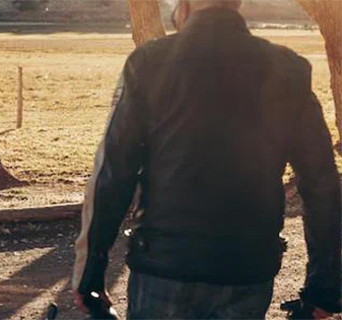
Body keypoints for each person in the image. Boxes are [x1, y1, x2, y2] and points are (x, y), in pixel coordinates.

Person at [72, 0, 341, 319]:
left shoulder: (149, 63)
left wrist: (90, 274)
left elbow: (113, 172)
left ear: (183, 6)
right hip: (247, 269)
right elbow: (322, 183)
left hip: (163, 265)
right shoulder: (288, 69)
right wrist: (323, 288)